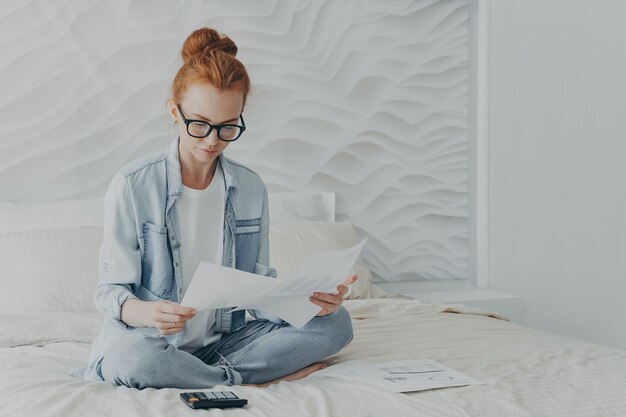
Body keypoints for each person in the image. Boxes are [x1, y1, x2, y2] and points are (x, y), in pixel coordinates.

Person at [69, 27, 357, 390]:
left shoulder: (250, 187)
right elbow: (110, 293)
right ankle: (247, 380)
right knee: (132, 359)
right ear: (174, 112)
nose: (212, 140)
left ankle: (211, 378)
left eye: (227, 127)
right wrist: (148, 312)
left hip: (227, 343)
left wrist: (308, 302)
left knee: (336, 324)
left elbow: (258, 291)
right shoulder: (133, 184)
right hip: (154, 344)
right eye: (199, 124)